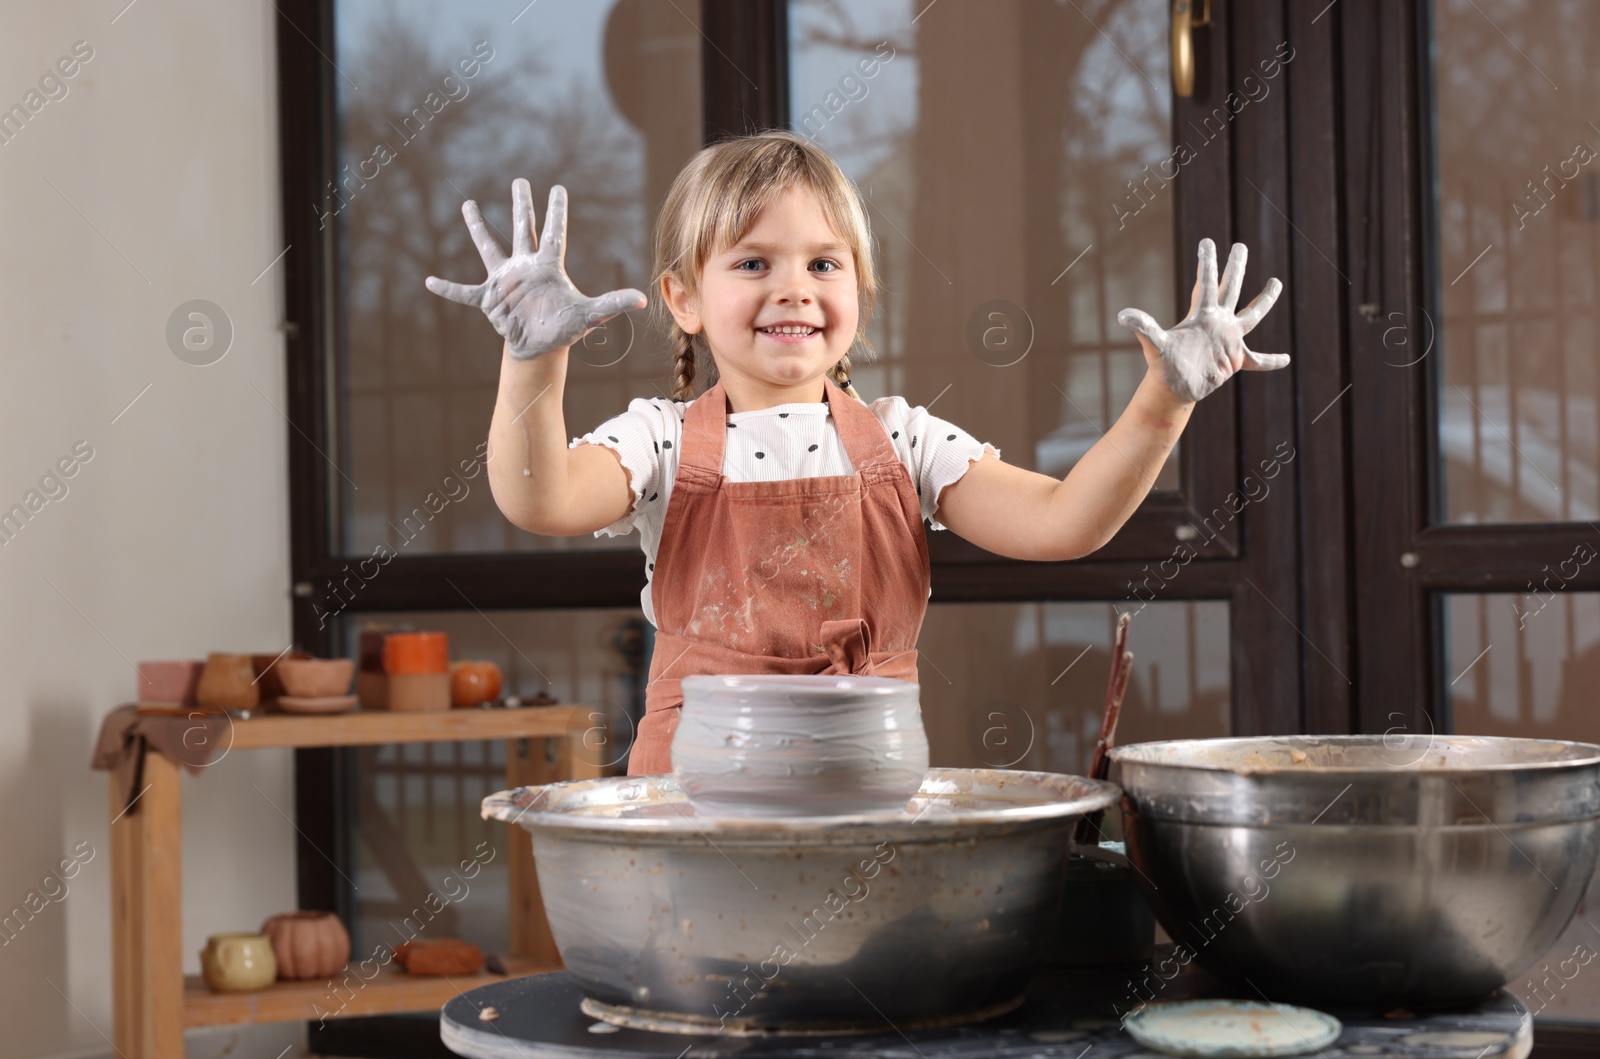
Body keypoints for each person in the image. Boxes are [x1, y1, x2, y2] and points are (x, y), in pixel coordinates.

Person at [425, 130, 1288, 776]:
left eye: (824, 263)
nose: (793, 286)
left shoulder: (905, 440)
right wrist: (533, 359)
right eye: (754, 261)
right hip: (690, 820)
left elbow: (1066, 523)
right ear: (683, 298)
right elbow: (539, 498)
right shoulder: (658, 438)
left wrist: (1163, 400)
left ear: (860, 298)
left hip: (865, 813)